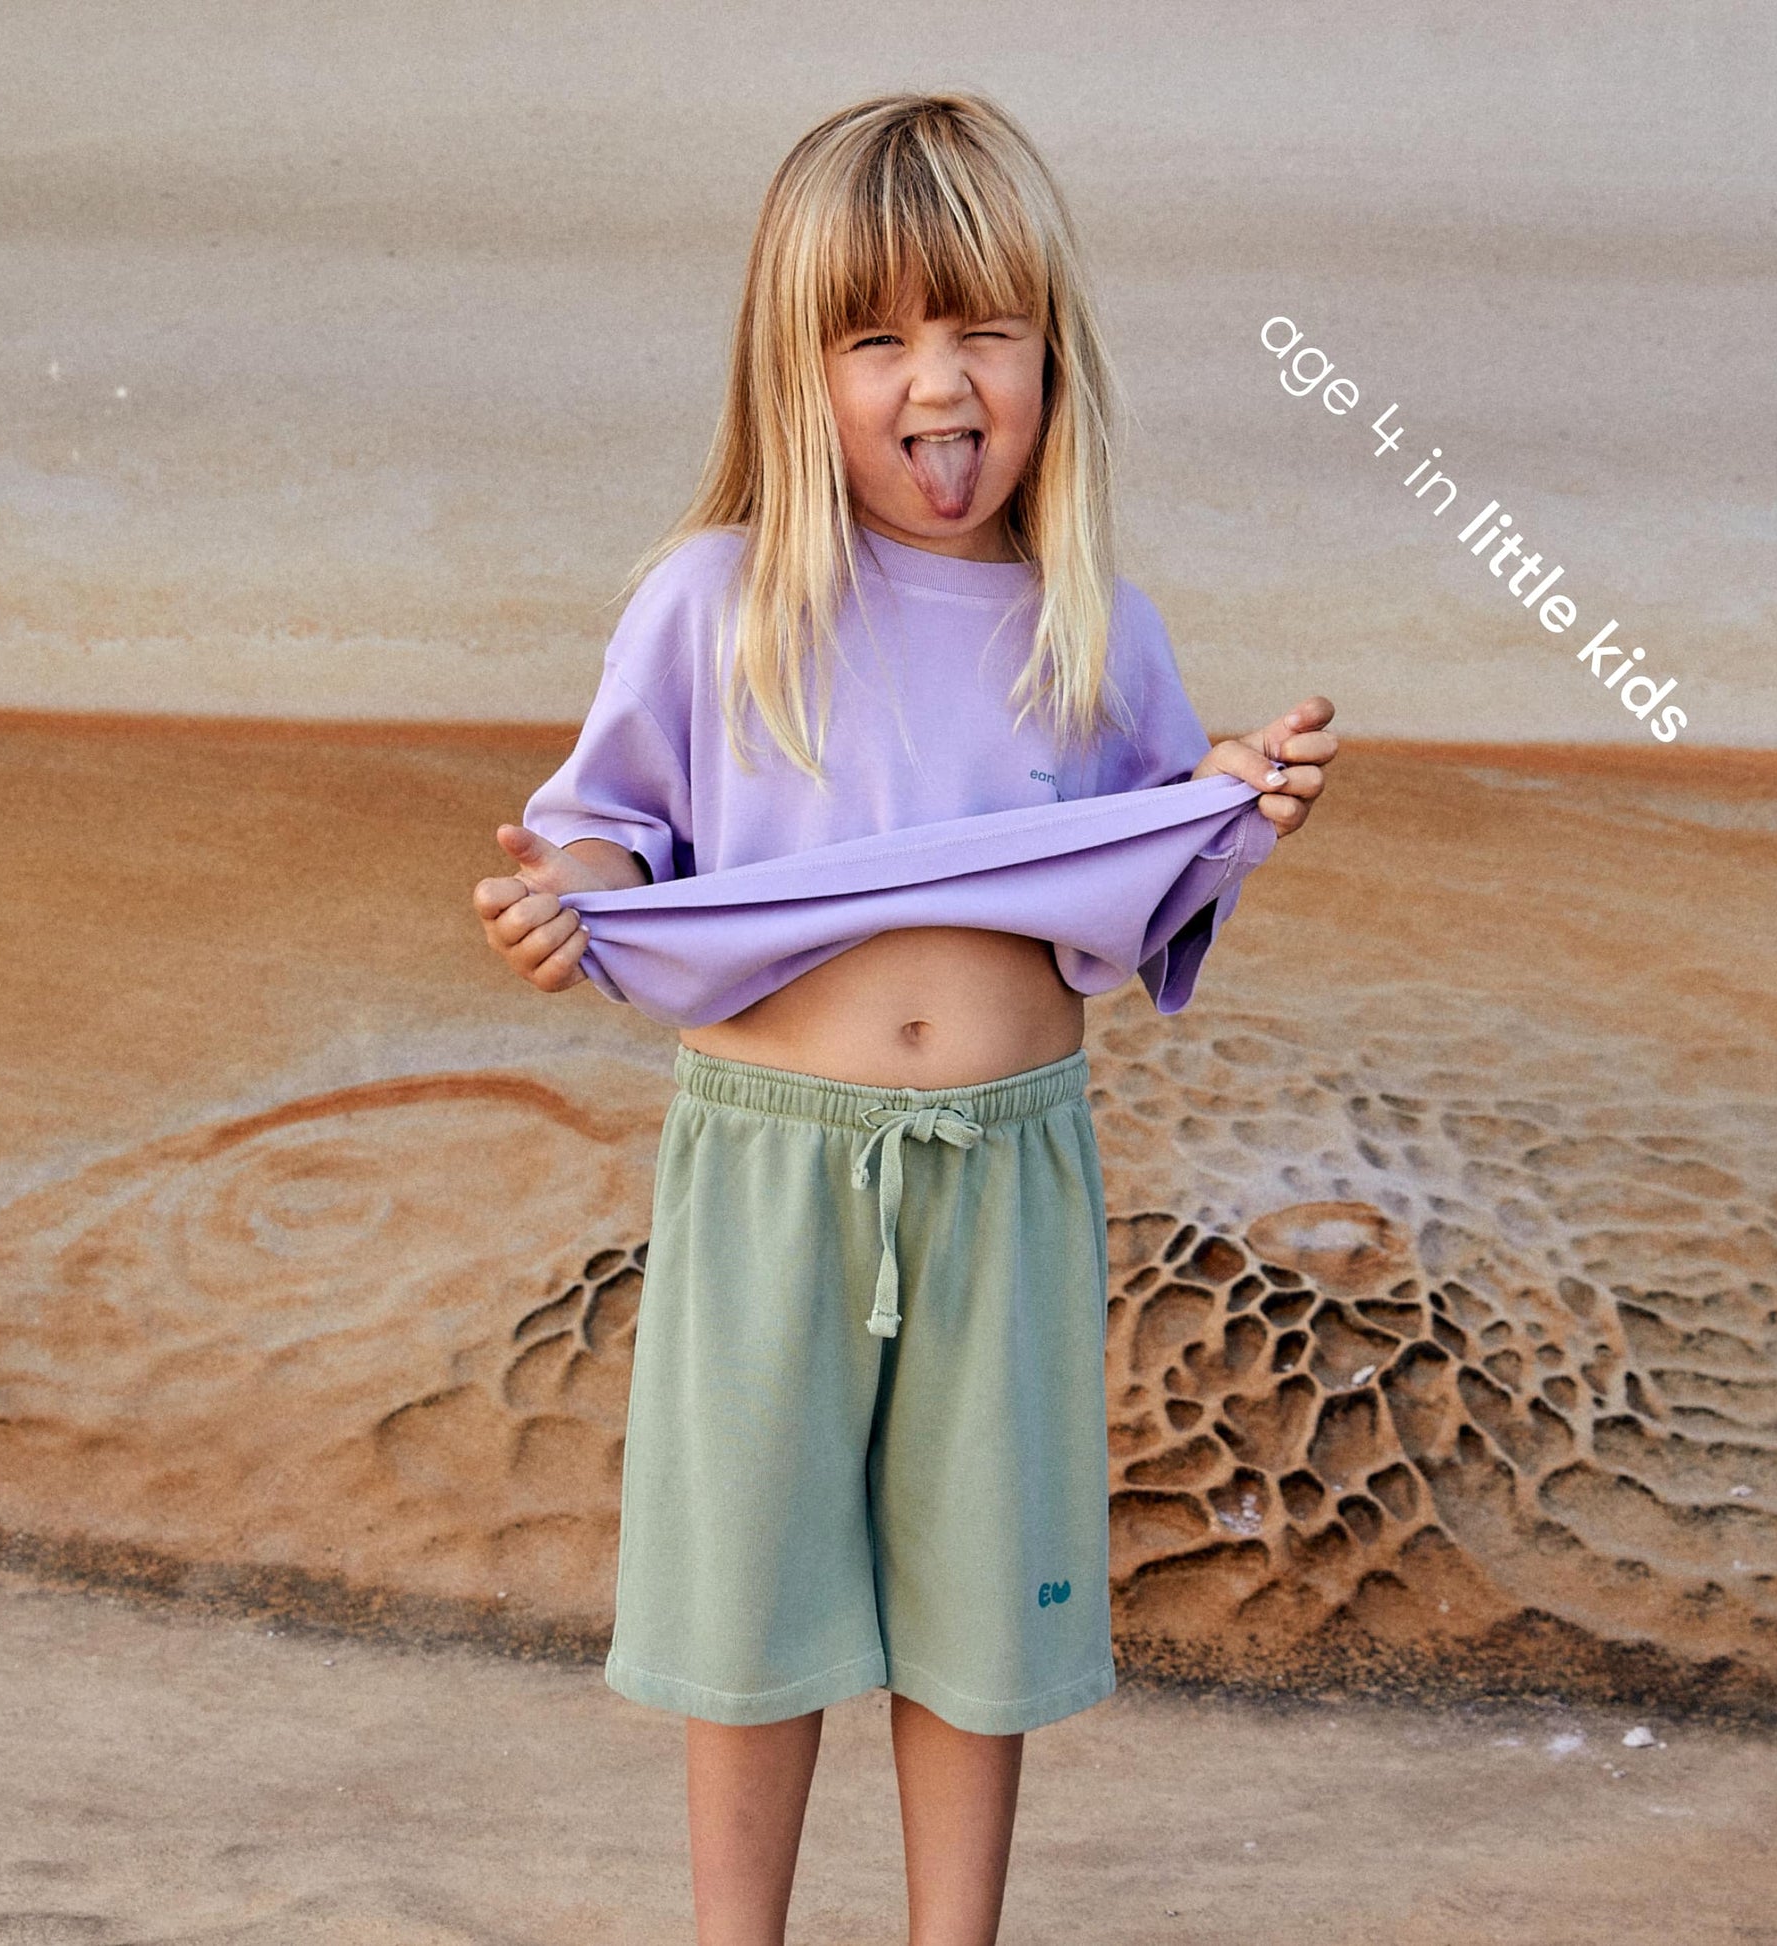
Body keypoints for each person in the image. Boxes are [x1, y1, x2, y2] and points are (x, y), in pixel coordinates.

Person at [474, 90, 1335, 1946]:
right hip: (772, 1169)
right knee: (752, 1611)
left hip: (1007, 1177)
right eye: (876, 337)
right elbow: (613, 833)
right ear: (800, 373)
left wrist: (1231, 801)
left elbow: (1135, 896)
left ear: (1048, 358)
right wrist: (576, 907)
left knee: (975, 1608)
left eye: (979, 332)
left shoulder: (1093, 626)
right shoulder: (718, 602)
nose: (935, 383)